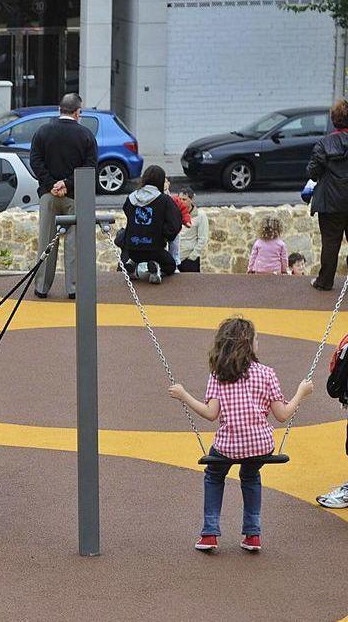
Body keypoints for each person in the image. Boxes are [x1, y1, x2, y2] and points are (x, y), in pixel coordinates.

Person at [167, 317, 314, 552]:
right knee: (251, 475)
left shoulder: (218, 375)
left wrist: (184, 395)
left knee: (214, 475)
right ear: (248, 345)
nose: (259, 342)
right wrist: (301, 392)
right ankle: (252, 535)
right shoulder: (267, 374)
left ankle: (209, 534)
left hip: (228, 446)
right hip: (261, 445)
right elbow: (283, 414)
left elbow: (210, 414)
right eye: (256, 339)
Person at [30, 93, 98, 299]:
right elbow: (90, 166)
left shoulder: (42, 132)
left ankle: (41, 287)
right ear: (78, 112)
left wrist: (51, 184)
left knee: (46, 242)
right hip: (74, 195)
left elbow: (35, 161)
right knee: (73, 244)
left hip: (48, 196)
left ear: (60, 110)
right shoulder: (86, 135)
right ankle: (73, 288)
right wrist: (67, 183)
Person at [307, 100, 348, 291]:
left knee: (330, 243)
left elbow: (313, 172)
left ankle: (324, 282)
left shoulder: (323, 144)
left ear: (334, 121)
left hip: (330, 202)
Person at [120, 165, 183, 283]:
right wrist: (163, 232)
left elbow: (127, 213)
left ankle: (132, 263)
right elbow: (174, 224)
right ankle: (156, 268)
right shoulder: (164, 200)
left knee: (137, 255)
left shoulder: (131, 198)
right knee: (170, 266)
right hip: (154, 249)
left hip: (132, 249)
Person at [176, 188, 209, 273]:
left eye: (184, 199)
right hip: (175, 258)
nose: (181, 202)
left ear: (191, 199)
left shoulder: (200, 215)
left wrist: (193, 256)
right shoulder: (175, 213)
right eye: (179, 199)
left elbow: (203, 238)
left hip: (189, 259)